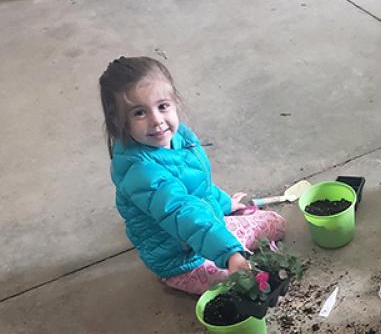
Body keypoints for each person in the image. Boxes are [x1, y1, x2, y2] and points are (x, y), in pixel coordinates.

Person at [102, 56, 285, 294]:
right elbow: (181, 210)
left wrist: (224, 203)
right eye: (139, 113)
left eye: (162, 106)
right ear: (118, 122)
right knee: (245, 288)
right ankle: (182, 275)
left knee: (275, 223)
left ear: (175, 102)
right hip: (180, 259)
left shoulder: (181, 138)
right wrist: (230, 254)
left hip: (201, 229)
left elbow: (200, 187)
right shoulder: (140, 171)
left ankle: (225, 245)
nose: (157, 121)